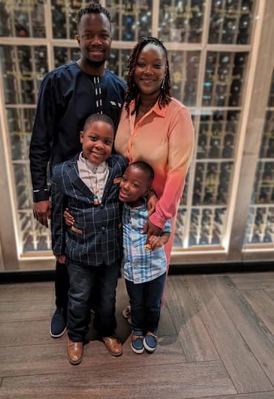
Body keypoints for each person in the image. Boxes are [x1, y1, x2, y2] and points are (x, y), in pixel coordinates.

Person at [29, 2, 126, 338]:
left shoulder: (118, 87)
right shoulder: (57, 81)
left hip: (104, 191)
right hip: (66, 187)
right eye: (89, 35)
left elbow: (123, 144)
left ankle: (101, 313)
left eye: (103, 35)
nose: (96, 41)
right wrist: (41, 194)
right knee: (65, 252)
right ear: (78, 38)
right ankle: (63, 307)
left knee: (101, 252)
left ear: (112, 40)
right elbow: (40, 140)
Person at [115, 37, 194, 317]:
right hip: (128, 207)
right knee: (134, 264)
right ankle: (137, 308)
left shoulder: (178, 115)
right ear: (132, 69)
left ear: (165, 70)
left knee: (155, 266)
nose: (148, 71)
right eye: (141, 64)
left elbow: (178, 173)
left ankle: (150, 321)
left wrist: (159, 217)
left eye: (156, 65)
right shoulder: (127, 108)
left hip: (157, 212)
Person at [51, 113, 127, 365]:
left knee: (107, 295)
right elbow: (57, 214)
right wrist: (59, 248)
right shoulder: (62, 172)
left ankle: (107, 331)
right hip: (78, 249)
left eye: (107, 141)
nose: (99, 145)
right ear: (82, 137)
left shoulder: (119, 165)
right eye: (93, 138)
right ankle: (76, 336)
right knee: (79, 295)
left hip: (110, 248)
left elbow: (129, 196)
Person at [119, 161, 171, 354]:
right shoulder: (120, 208)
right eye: (125, 180)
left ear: (146, 190)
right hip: (132, 272)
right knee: (136, 303)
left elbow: (167, 231)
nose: (126, 186)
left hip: (155, 269)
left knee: (153, 304)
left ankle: (152, 330)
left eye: (135, 184)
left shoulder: (153, 211)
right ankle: (137, 331)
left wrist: (160, 240)